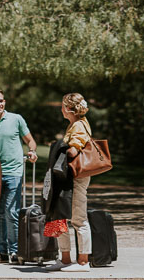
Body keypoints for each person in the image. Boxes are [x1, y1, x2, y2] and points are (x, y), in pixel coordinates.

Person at [0, 88, 38, 265]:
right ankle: (2, 252)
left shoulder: (16, 119)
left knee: (11, 212)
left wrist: (32, 151)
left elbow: (30, 140)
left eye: (2, 100)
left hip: (14, 172)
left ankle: (15, 251)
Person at [54, 92, 93, 272]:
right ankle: (65, 259)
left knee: (78, 217)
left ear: (69, 108)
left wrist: (60, 147)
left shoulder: (78, 126)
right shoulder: (74, 124)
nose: (61, 108)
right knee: (60, 215)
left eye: (63, 105)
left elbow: (73, 152)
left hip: (77, 177)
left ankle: (84, 262)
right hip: (67, 177)